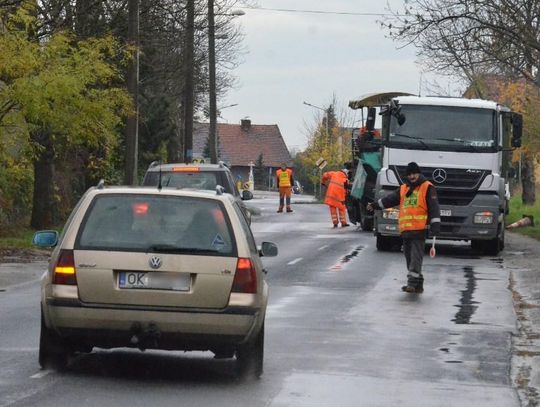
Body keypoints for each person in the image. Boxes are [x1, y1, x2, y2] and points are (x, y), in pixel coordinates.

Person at [367, 162, 440, 293]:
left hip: (419, 229)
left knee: (415, 256)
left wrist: (435, 224)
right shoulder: (403, 189)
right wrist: (374, 205)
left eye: (414, 174)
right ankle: (418, 284)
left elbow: (434, 207)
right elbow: (389, 200)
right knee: (408, 256)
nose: (412, 176)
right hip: (406, 230)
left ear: (419, 174)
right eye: (409, 174)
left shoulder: (427, 187)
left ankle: (412, 283)